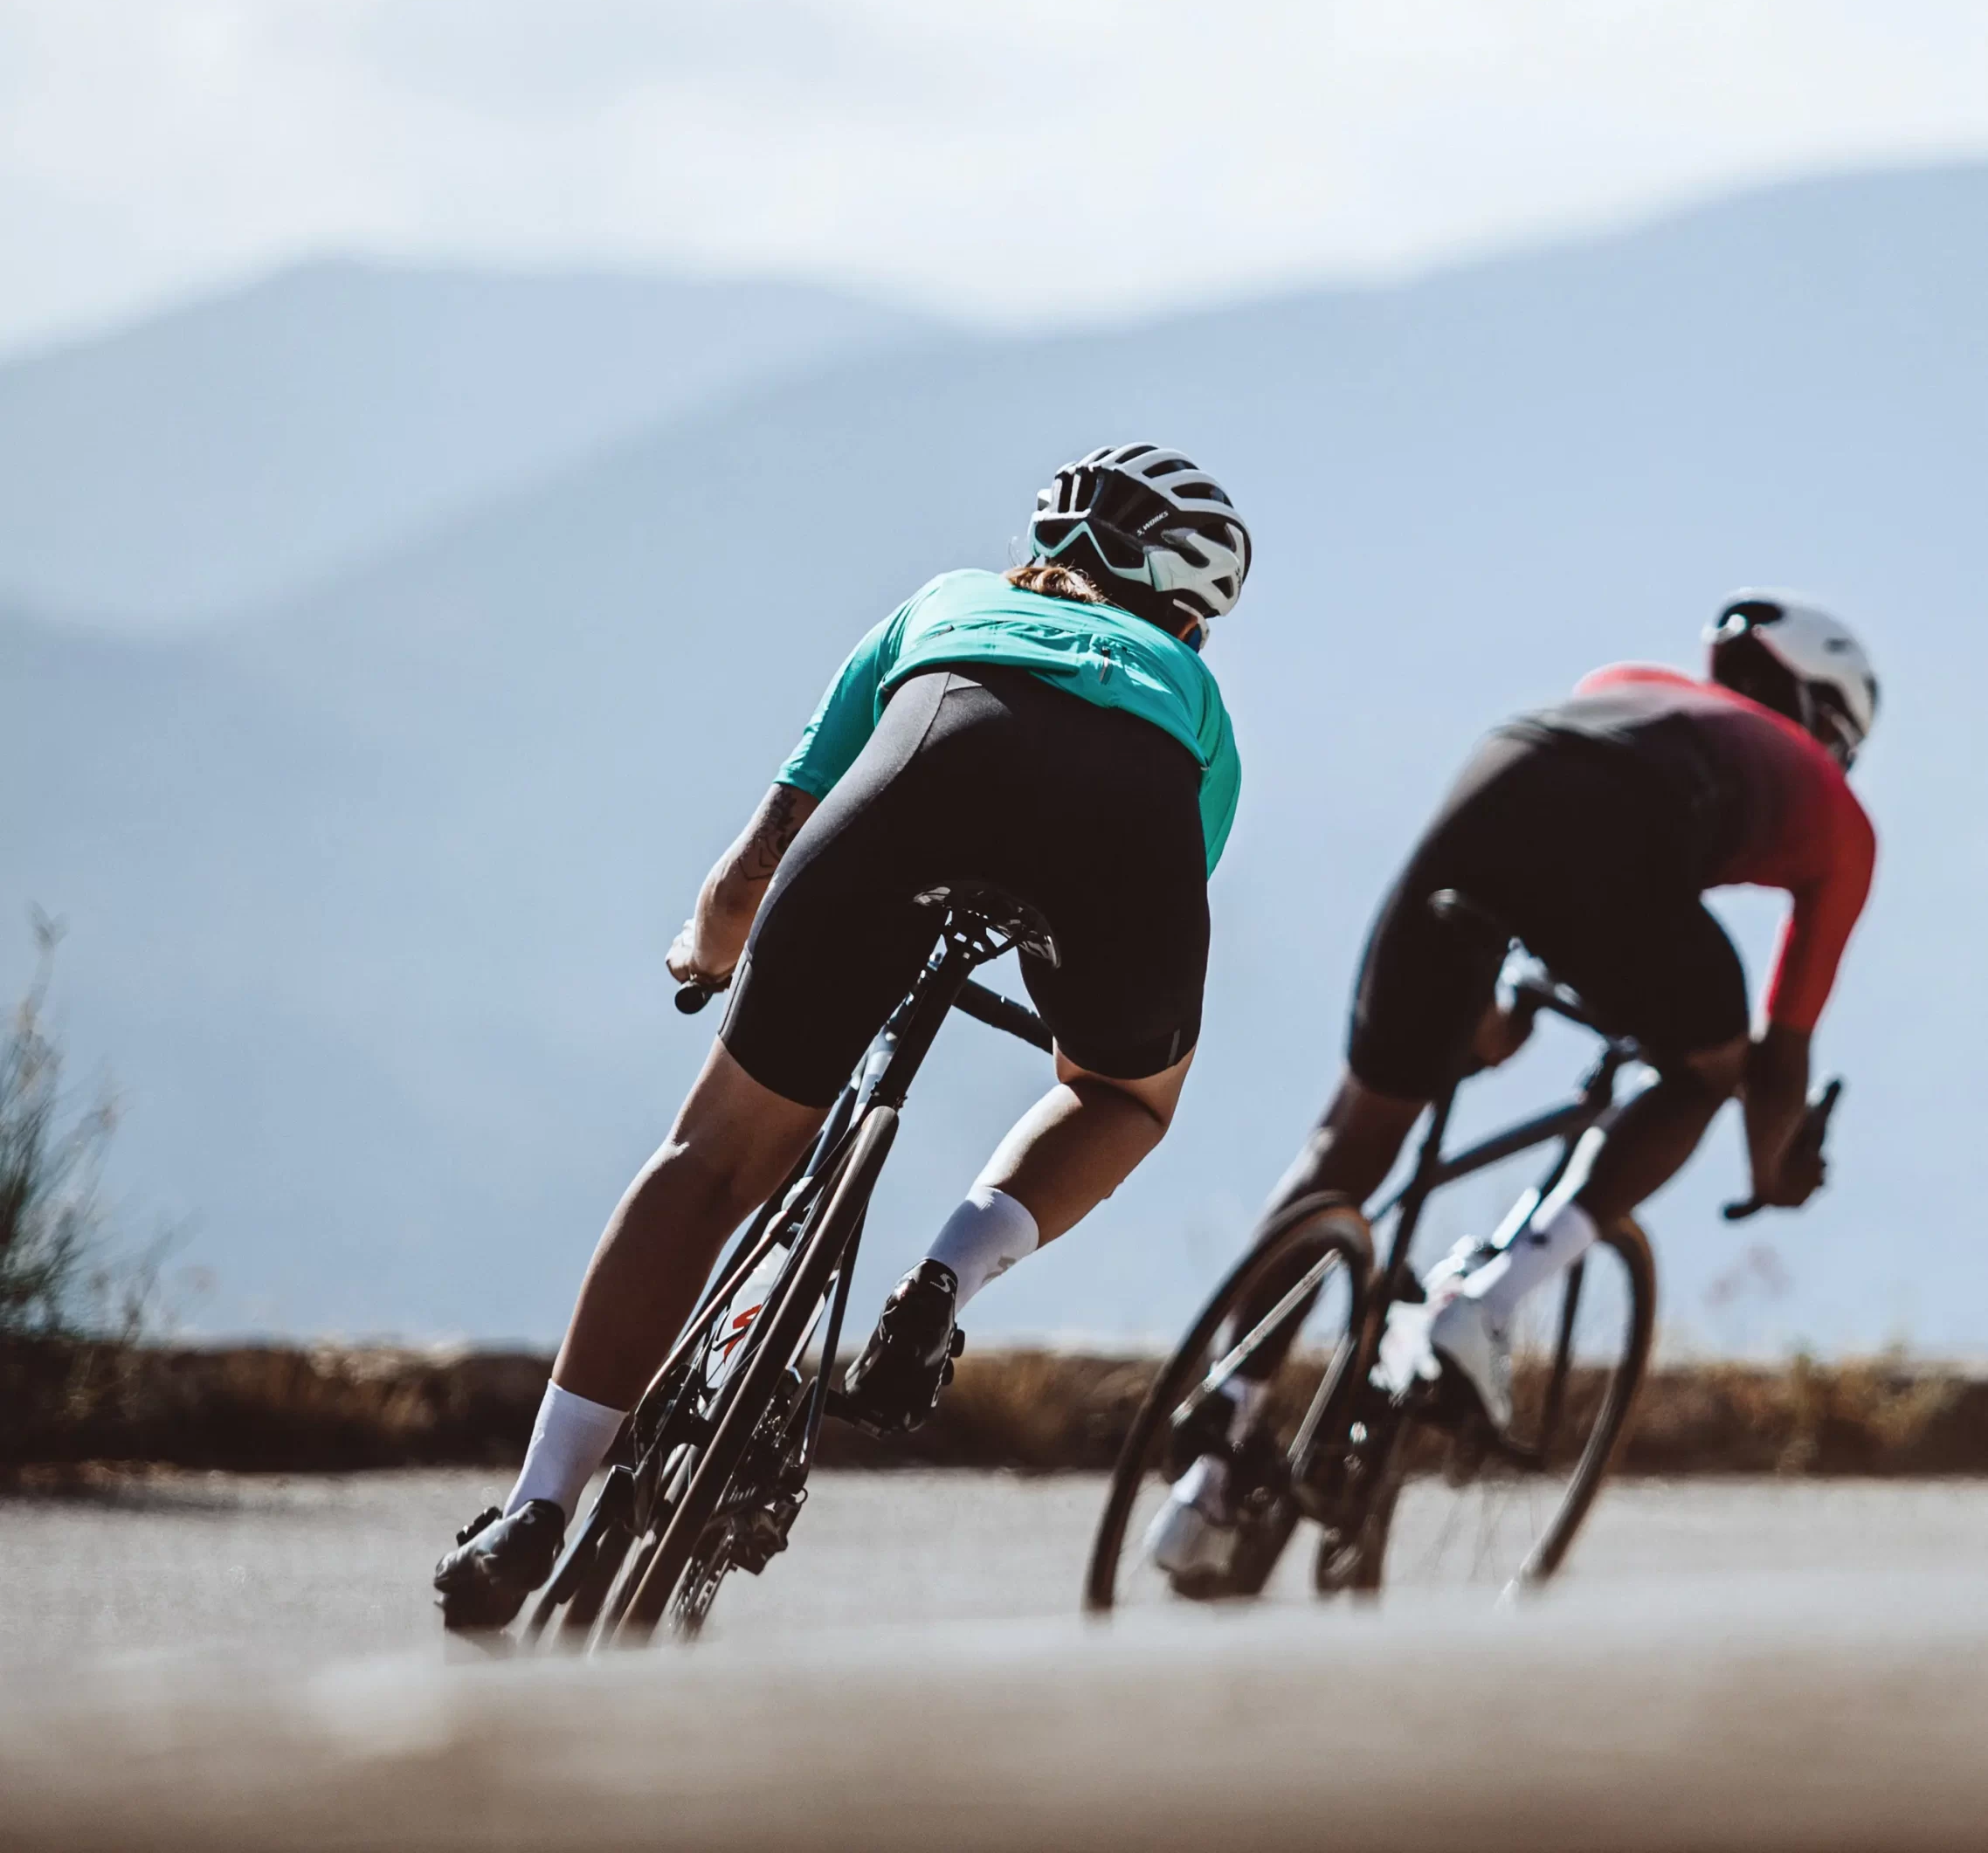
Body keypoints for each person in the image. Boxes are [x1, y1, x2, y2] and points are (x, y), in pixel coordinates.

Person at [435, 443, 1250, 1629]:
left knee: (707, 1163)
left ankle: (538, 1506)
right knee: (1126, 1095)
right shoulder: (1197, 700)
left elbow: (761, 856)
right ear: (1187, 608)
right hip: (1132, 829)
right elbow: (1166, 905)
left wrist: (710, 958)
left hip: (938, 760)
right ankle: (940, 1281)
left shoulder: (949, 604)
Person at [1149, 590, 1879, 1587]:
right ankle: (1486, 1300)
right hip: (1622, 836)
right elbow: (1779, 1048)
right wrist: (1770, 1165)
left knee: (1355, 1136)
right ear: (1827, 721)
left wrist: (1486, 1015)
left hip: (1493, 782)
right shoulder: (1839, 820)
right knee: (1709, 1064)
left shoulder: (1622, 684)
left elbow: (1551, 859)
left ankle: (1218, 1438)